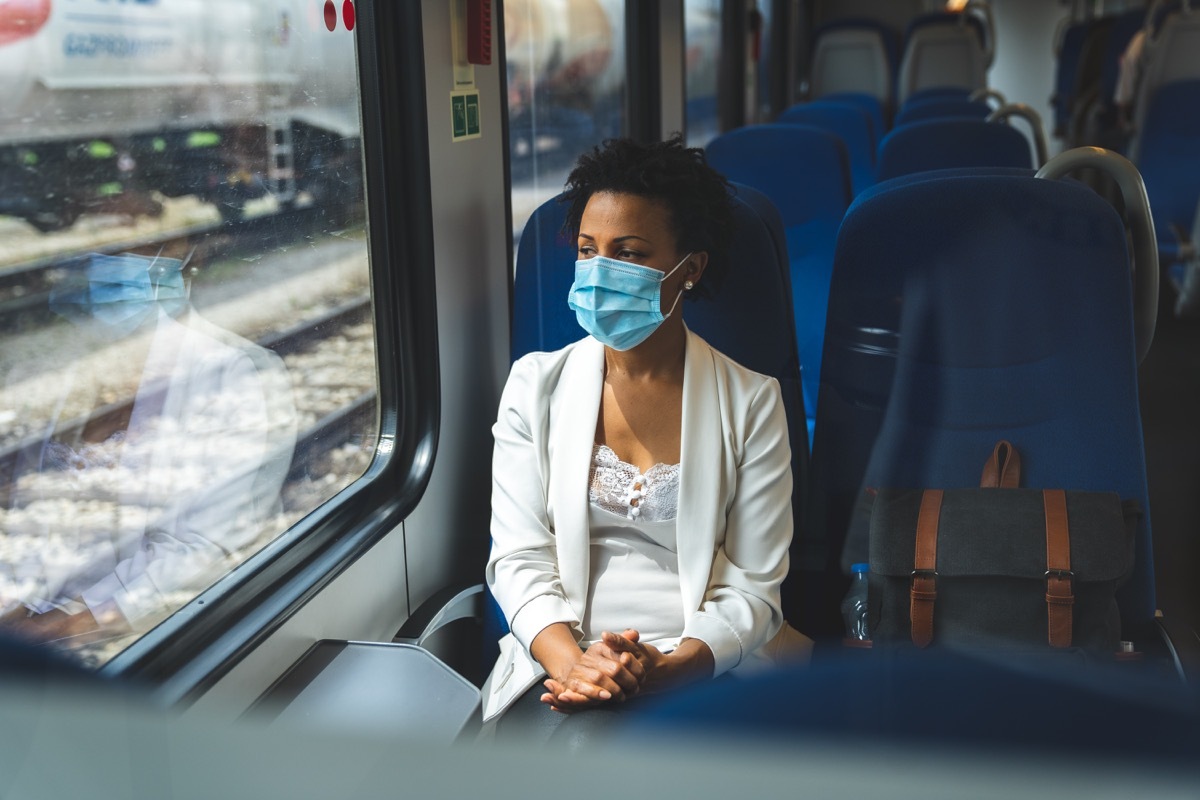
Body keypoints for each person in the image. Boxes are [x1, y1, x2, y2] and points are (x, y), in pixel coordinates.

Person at [482, 136, 795, 741]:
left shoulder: (752, 401)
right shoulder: (534, 386)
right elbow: (519, 559)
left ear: (690, 269)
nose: (600, 273)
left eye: (626, 254)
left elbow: (753, 585)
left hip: (703, 661)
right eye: (586, 251)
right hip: (561, 657)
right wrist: (575, 666)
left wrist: (671, 670)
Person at [0, 251, 297, 649]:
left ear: (179, 258)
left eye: (125, 251)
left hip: (140, 628)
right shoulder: (76, 362)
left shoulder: (237, 373)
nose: (99, 265)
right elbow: (33, 498)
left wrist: (54, 630)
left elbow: (203, 551)